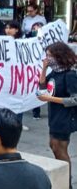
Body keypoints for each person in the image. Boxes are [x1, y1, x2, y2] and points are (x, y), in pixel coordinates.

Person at [38, 42, 77, 184]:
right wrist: (43, 69)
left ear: (59, 56)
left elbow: (75, 99)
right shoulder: (55, 72)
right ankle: (63, 178)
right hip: (54, 115)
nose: (47, 59)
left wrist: (50, 98)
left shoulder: (70, 74)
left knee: (59, 148)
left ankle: (66, 181)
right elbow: (42, 86)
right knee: (53, 145)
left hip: (64, 117)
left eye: (50, 56)